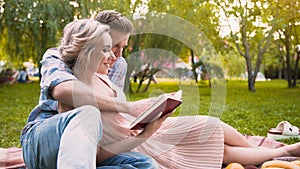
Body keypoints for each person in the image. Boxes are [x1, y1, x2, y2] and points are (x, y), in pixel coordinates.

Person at [89, 14, 300, 169]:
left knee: (211, 125)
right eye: (113, 47)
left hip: (134, 128)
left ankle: (260, 151)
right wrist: (143, 128)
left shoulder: (114, 66)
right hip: (135, 142)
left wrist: (149, 111)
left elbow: (116, 110)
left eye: (123, 47)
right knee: (215, 151)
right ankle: (284, 151)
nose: (117, 55)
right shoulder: (75, 86)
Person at [20, 19, 161, 168]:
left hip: (80, 152)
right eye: (107, 49)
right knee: (88, 113)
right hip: (47, 144)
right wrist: (129, 108)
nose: (115, 56)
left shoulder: (104, 80)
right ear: (86, 50)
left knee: (146, 164)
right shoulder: (73, 82)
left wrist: (143, 135)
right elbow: (63, 91)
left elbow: (98, 154)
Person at [95, 10, 130, 90]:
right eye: (114, 45)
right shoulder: (69, 63)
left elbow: (114, 101)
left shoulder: (119, 64)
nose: (119, 55)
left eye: (123, 47)